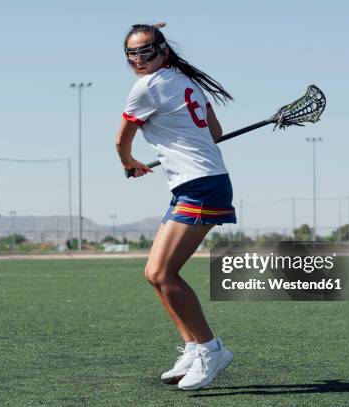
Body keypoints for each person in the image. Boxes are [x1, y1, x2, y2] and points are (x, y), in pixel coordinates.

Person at [115, 23, 236, 391]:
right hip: (196, 183)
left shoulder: (147, 87)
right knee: (154, 274)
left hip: (201, 184)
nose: (138, 59)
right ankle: (194, 348)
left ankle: (210, 349)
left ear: (163, 50)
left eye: (145, 51)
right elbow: (214, 133)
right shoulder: (185, 82)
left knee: (165, 273)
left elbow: (121, 140)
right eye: (131, 54)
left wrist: (129, 163)